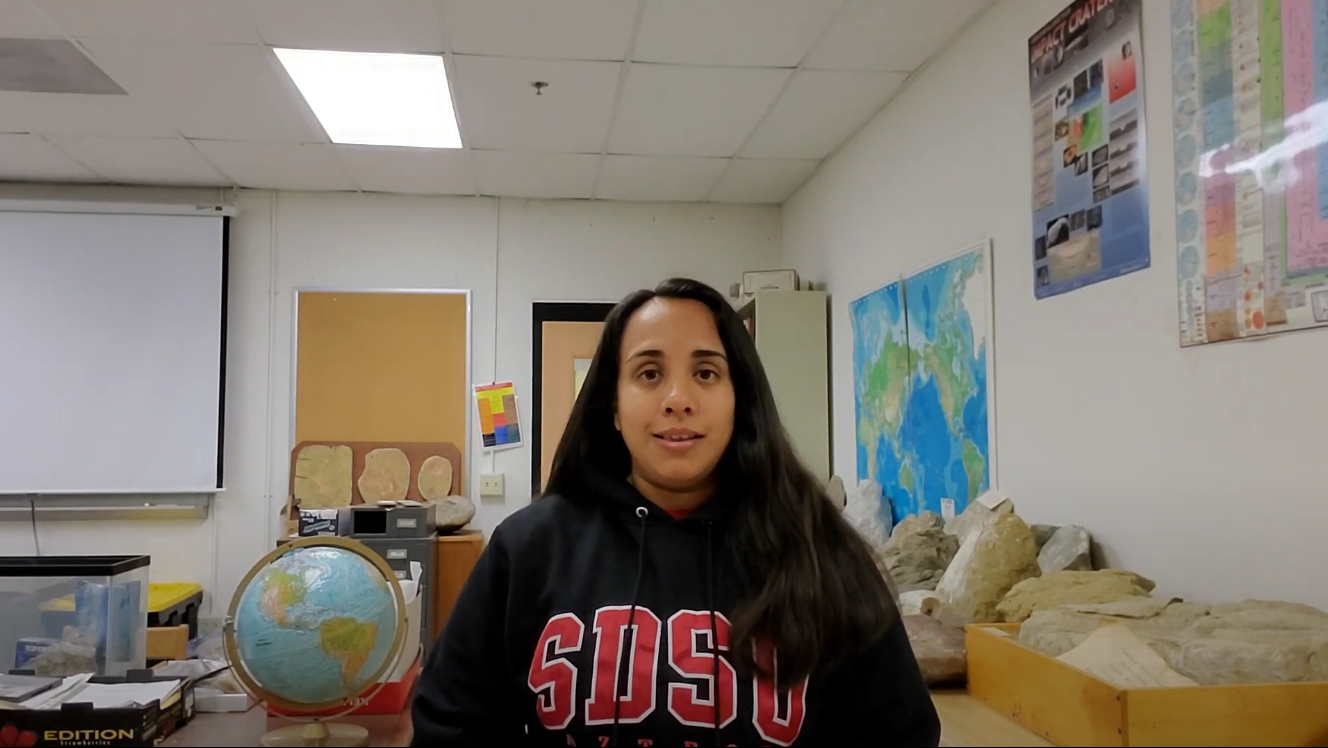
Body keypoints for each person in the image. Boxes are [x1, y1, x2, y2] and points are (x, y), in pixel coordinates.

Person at [410, 278, 939, 747]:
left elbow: (896, 733)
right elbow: (451, 725)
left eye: (707, 373)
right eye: (648, 373)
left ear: (740, 400)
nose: (678, 398)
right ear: (613, 408)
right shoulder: (529, 548)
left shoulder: (824, 552)